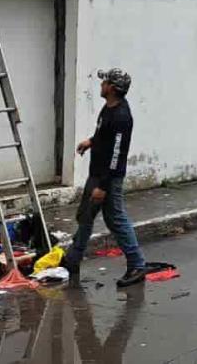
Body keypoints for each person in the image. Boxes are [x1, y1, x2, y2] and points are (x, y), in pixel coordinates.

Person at [63, 68, 148, 287]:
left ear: (112, 88)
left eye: (105, 82)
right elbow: (104, 135)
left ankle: (137, 265)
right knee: (85, 216)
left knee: (115, 219)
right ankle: (72, 259)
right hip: (97, 172)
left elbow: (117, 154)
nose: (101, 84)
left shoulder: (122, 116)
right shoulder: (108, 108)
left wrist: (103, 186)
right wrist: (91, 141)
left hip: (108, 178)